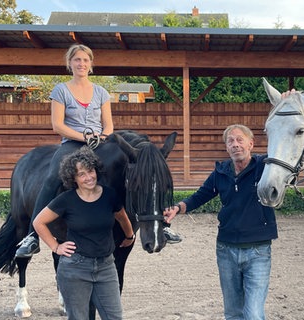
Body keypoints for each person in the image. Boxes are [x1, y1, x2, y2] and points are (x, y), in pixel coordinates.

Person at [15, 44, 180, 258]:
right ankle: (32, 237)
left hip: (100, 142)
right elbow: (57, 125)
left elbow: (109, 125)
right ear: (70, 63)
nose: (81, 64)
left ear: (90, 64)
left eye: (85, 60)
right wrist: (83, 137)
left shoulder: (101, 92)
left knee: (132, 173)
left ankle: (160, 224)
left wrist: (102, 137)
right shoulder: (60, 90)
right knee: (52, 176)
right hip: (72, 143)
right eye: (77, 60)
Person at [164, 124, 278, 320]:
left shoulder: (265, 167)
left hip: (258, 251)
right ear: (226, 147)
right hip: (226, 250)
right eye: (230, 141)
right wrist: (178, 207)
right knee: (233, 313)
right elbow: (201, 195)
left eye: (240, 140)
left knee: (254, 314)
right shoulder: (221, 171)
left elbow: (284, 150)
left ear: (251, 144)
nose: (235, 145)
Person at [33, 146, 135, 320]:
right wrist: (56, 247)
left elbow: (122, 217)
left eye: (90, 171)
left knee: (115, 317)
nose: (88, 177)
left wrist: (129, 236)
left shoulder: (109, 196)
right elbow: (38, 222)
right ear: (73, 178)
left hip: (106, 267)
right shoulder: (66, 200)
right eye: (81, 174)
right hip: (75, 268)